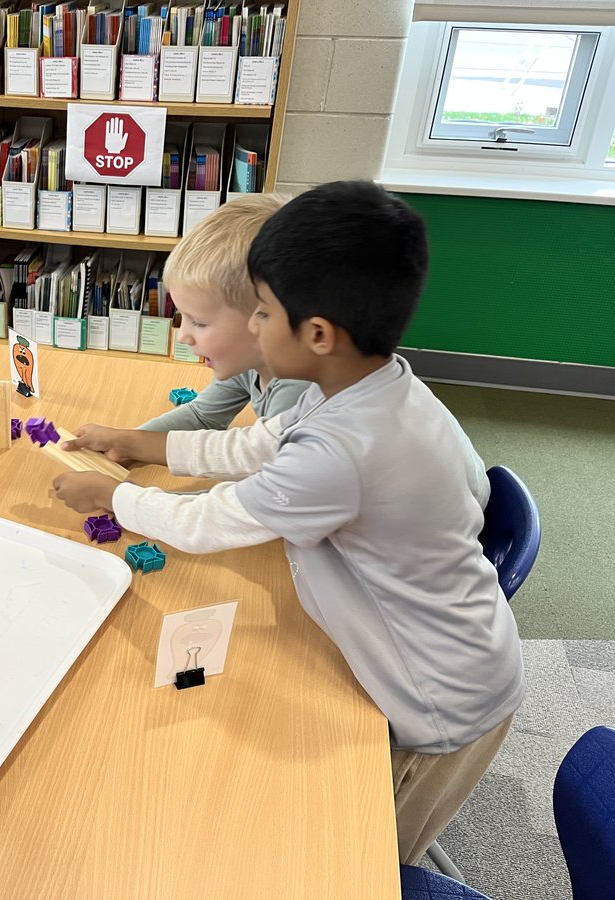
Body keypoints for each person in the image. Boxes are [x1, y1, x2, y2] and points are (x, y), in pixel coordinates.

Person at [52, 180, 521, 865]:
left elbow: (210, 523)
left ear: (318, 334)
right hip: (447, 649)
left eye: (264, 312)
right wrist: (144, 446)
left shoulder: (341, 452)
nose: (257, 327)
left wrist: (112, 497)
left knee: (364, 859)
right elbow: (247, 446)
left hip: (440, 703)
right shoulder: (362, 389)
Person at [137, 195, 309, 437]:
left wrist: (122, 473)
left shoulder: (300, 389)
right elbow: (202, 416)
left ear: (269, 319)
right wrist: (126, 441)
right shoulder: (250, 356)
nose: (183, 336)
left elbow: (268, 467)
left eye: (198, 322)